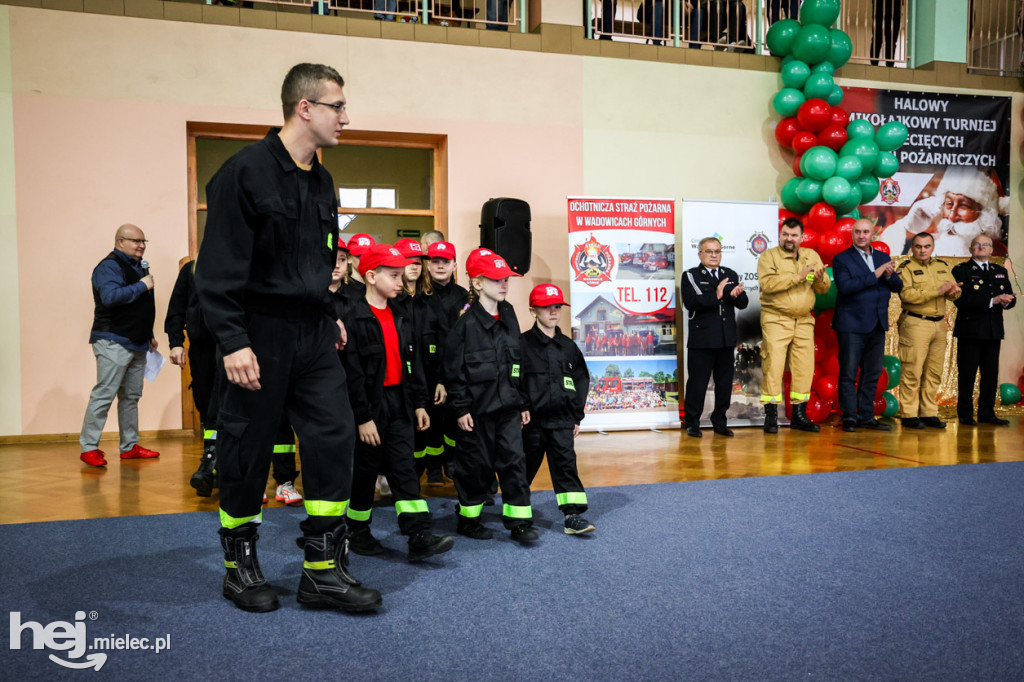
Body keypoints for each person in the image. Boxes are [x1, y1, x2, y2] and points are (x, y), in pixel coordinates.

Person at [194, 63, 380, 613]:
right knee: (246, 450)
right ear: (305, 108)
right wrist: (232, 341)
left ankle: (322, 570)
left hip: (314, 333)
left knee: (333, 437)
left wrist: (331, 313)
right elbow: (216, 272)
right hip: (258, 334)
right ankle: (240, 567)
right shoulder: (243, 173)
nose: (346, 117)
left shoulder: (322, 180)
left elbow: (319, 263)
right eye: (337, 106)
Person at [340, 244, 454, 562]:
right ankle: (358, 531)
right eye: (393, 275)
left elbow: (411, 365)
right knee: (363, 474)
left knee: (404, 469)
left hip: (399, 404)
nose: (400, 281)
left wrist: (419, 403)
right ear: (371, 276)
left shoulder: (401, 315)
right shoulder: (353, 319)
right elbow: (352, 375)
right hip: (369, 408)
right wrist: (362, 418)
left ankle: (418, 534)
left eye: (401, 275)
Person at [444, 248, 537, 543]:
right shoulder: (465, 325)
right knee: (475, 467)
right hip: (477, 412)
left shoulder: (508, 314)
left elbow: (516, 363)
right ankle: (469, 520)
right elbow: (453, 371)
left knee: (514, 462)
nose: (504, 285)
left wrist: (522, 401)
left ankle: (519, 521)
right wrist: (460, 410)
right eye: (496, 279)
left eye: (506, 279)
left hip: (508, 408)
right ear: (478, 283)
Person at [80, 224, 161, 467]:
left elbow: (139, 307)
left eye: (144, 241)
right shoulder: (109, 266)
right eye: (136, 240)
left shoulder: (138, 267)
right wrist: (142, 285)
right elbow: (111, 297)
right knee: (104, 393)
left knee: (131, 397)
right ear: (119, 242)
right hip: (113, 340)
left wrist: (149, 335)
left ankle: (129, 446)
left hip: (137, 342)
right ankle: (89, 448)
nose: (141, 245)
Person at [520, 284, 594, 535]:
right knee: (523, 468)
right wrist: (521, 407)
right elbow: (513, 380)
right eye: (546, 307)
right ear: (533, 310)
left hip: (562, 420)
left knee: (565, 467)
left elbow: (582, 380)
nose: (553, 312)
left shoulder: (568, 346)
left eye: (557, 307)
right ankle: (518, 516)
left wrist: (576, 416)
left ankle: (572, 516)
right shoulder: (522, 344)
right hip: (531, 423)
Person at [758, 217, 831, 433]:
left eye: (794, 235)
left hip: (804, 320)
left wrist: (819, 279)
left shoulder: (812, 255)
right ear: (780, 235)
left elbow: (823, 288)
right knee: (773, 366)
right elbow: (767, 284)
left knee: (804, 368)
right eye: (786, 234)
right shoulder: (768, 256)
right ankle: (770, 417)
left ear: (801, 237)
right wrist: (797, 277)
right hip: (776, 318)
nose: (789, 239)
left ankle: (799, 416)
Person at [831, 220, 903, 432]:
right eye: (858, 232)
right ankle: (850, 417)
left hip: (877, 324)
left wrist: (889, 276)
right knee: (849, 374)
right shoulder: (842, 258)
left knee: (871, 375)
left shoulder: (882, 257)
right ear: (852, 234)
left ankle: (866, 416)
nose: (862, 235)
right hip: (852, 325)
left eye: (866, 232)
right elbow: (846, 287)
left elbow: (898, 286)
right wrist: (876, 274)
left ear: (873, 234)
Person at [679, 237, 748, 438]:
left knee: (725, 384)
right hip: (702, 341)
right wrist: (718, 294)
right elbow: (692, 302)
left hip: (726, 340)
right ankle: (692, 423)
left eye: (717, 251)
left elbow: (742, 304)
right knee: (697, 385)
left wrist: (736, 295)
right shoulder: (691, 275)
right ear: (700, 254)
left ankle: (720, 422)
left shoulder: (729, 274)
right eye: (709, 251)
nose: (714, 255)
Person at [896, 232, 961, 429]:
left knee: (933, 372)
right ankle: (908, 414)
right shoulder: (905, 268)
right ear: (912, 248)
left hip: (939, 324)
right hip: (916, 322)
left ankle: (928, 412)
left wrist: (955, 292)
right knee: (912, 370)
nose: (922, 250)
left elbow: (952, 293)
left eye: (926, 246)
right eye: (918, 246)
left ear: (932, 247)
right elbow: (907, 295)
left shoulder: (941, 266)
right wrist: (937, 291)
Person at [165, 259, 218, 493]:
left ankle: (218, 466)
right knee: (207, 408)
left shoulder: (242, 263)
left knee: (232, 409)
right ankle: (210, 463)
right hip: (202, 349)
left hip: (236, 348)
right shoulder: (192, 269)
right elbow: (176, 308)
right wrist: (176, 343)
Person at [951, 235, 1016, 426]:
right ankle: (965, 414)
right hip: (970, 330)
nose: (981, 247)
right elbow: (960, 300)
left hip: (993, 330)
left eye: (985, 245)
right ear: (971, 249)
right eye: (977, 245)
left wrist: (1007, 301)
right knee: (967, 374)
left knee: (990, 374)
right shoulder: (961, 270)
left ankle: (987, 412)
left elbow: (1011, 299)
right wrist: (992, 301)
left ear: (991, 250)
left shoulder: (1000, 271)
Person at [878, 168, 1008, 257]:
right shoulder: (925, 247)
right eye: (949, 204)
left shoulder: (998, 253)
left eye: (963, 206)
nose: (952, 216)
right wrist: (907, 226)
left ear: (984, 214)